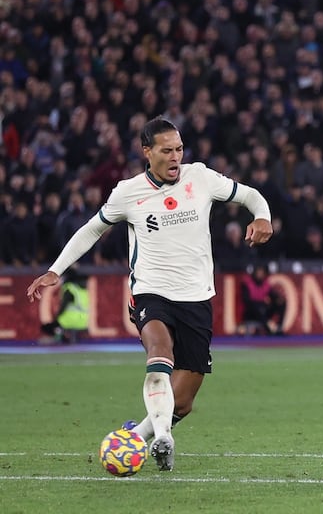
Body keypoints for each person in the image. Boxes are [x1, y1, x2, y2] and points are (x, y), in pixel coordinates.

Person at [26, 117, 273, 471]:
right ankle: (163, 439)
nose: (175, 157)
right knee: (159, 350)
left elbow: (249, 194)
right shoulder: (128, 192)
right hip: (150, 291)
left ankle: (138, 435)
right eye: (167, 150)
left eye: (179, 149)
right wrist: (56, 269)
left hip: (196, 296)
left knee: (183, 401)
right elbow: (92, 229)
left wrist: (262, 216)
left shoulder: (199, 177)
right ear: (147, 152)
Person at [38, 267, 91, 344]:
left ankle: (59, 338)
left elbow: (63, 307)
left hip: (71, 320)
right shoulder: (82, 288)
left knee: (48, 326)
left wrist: (55, 318)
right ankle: (65, 337)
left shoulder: (70, 288)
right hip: (84, 320)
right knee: (57, 323)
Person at [239, 263, 287, 336]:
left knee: (281, 303)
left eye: (262, 272)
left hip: (263, 310)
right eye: (258, 272)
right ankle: (269, 329)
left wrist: (278, 299)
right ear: (254, 273)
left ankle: (279, 328)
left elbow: (272, 295)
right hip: (251, 312)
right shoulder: (247, 284)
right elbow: (246, 301)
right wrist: (258, 305)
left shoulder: (265, 284)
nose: (260, 274)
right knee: (257, 308)